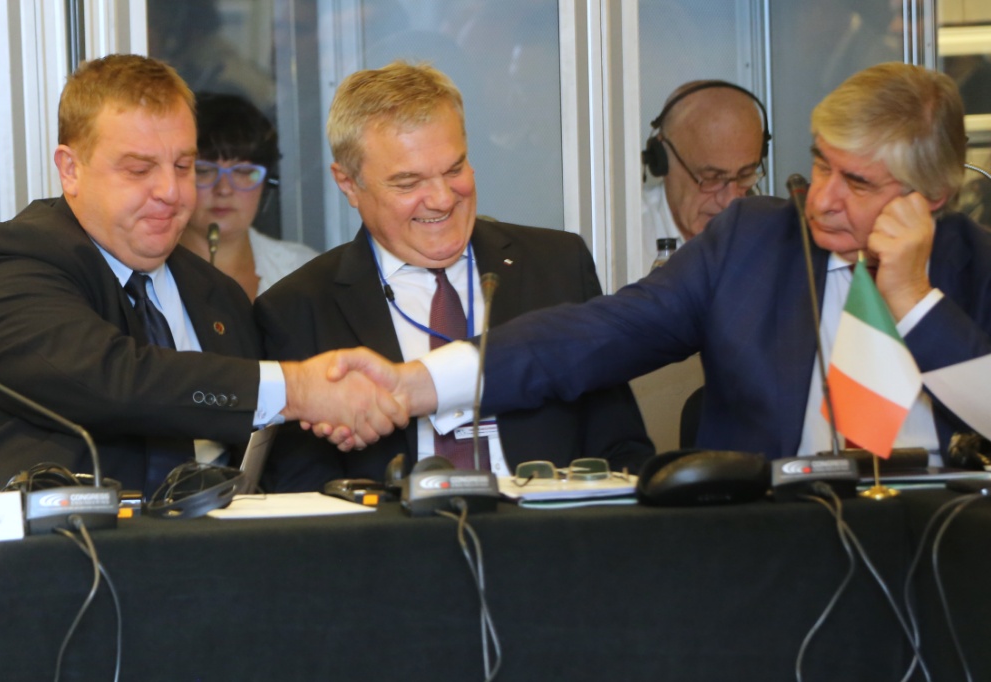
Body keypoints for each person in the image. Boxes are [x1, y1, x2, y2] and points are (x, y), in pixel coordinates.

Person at [324, 62, 991, 466]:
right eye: (821, 164)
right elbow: (590, 336)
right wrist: (416, 383)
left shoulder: (976, 264)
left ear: (931, 196)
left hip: (944, 557)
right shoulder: (753, 242)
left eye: (859, 183)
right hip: (779, 559)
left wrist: (914, 298)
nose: (822, 199)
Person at [0, 54, 404, 496]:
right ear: (70, 169)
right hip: (63, 539)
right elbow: (113, 381)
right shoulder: (11, 261)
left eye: (183, 166)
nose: (170, 192)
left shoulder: (219, 296)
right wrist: (297, 389)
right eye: (139, 170)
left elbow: (269, 457)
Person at [254, 61, 653, 491]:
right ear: (349, 184)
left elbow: (623, 450)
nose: (443, 200)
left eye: (454, 170)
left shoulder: (557, 265)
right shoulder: (297, 309)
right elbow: (303, 494)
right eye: (409, 183)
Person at [180, 92, 318, 300]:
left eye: (243, 172)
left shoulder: (305, 272)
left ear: (266, 182)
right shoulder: (144, 276)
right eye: (204, 170)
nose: (224, 189)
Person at [641, 80, 769, 264]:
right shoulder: (625, 235)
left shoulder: (771, 231)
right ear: (662, 161)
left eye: (745, 176)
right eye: (712, 178)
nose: (731, 201)